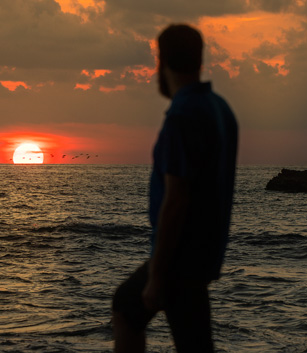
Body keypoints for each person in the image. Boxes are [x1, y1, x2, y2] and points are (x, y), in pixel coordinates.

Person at [112, 24, 238, 352]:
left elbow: (176, 199)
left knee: (127, 306)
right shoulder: (221, 109)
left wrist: (158, 272)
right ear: (199, 59)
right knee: (194, 343)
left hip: (180, 258)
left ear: (161, 61)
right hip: (204, 254)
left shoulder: (183, 115)